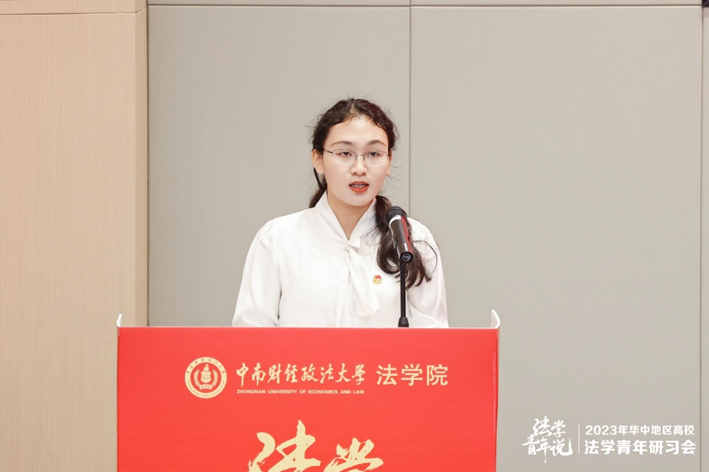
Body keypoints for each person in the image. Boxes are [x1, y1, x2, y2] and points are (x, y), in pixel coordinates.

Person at [232, 98, 447, 327]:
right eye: (345, 153)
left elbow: (433, 337)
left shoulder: (412, 239)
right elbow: (251, 335)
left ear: (388, 161)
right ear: (318, 159)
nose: (359, 168)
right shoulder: (278, 238)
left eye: (373, 154)